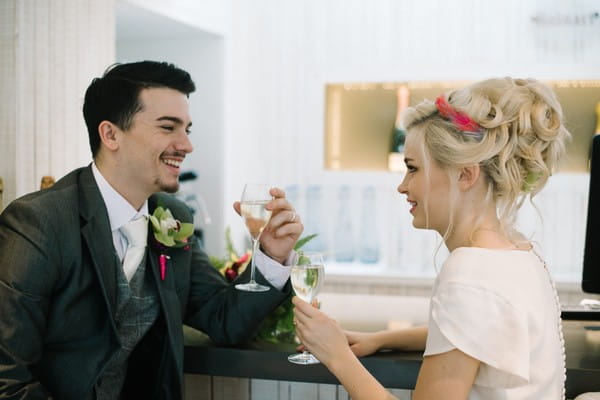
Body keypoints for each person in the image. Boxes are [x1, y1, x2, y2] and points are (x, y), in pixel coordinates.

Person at [0, 61, 303, 399]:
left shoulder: (172, 215)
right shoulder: (38, 222)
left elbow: (223, 319)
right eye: (168, 127)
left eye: (187, 129)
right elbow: (7, 378)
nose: (186, 145)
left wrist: (272, 255)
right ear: (110, 134)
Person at [293, 77, 569, 399]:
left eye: (412, 168)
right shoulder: (520, 252)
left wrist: (336, 356)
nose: (402, 186)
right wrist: (382, 339)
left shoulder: (469, 272)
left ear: (464, 175)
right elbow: (474, 332)